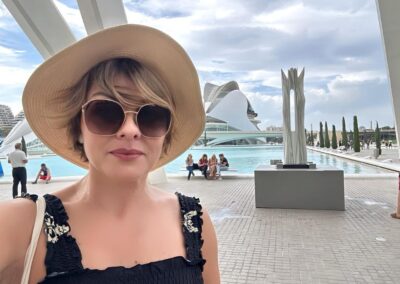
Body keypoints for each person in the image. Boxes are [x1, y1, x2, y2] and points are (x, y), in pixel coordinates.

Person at [0, 25, 220, 283]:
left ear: (166, 132)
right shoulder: (20, 225)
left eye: (151, 116)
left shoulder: (196, 222)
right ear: (78, 127)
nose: (130, 130)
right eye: (105, 112)